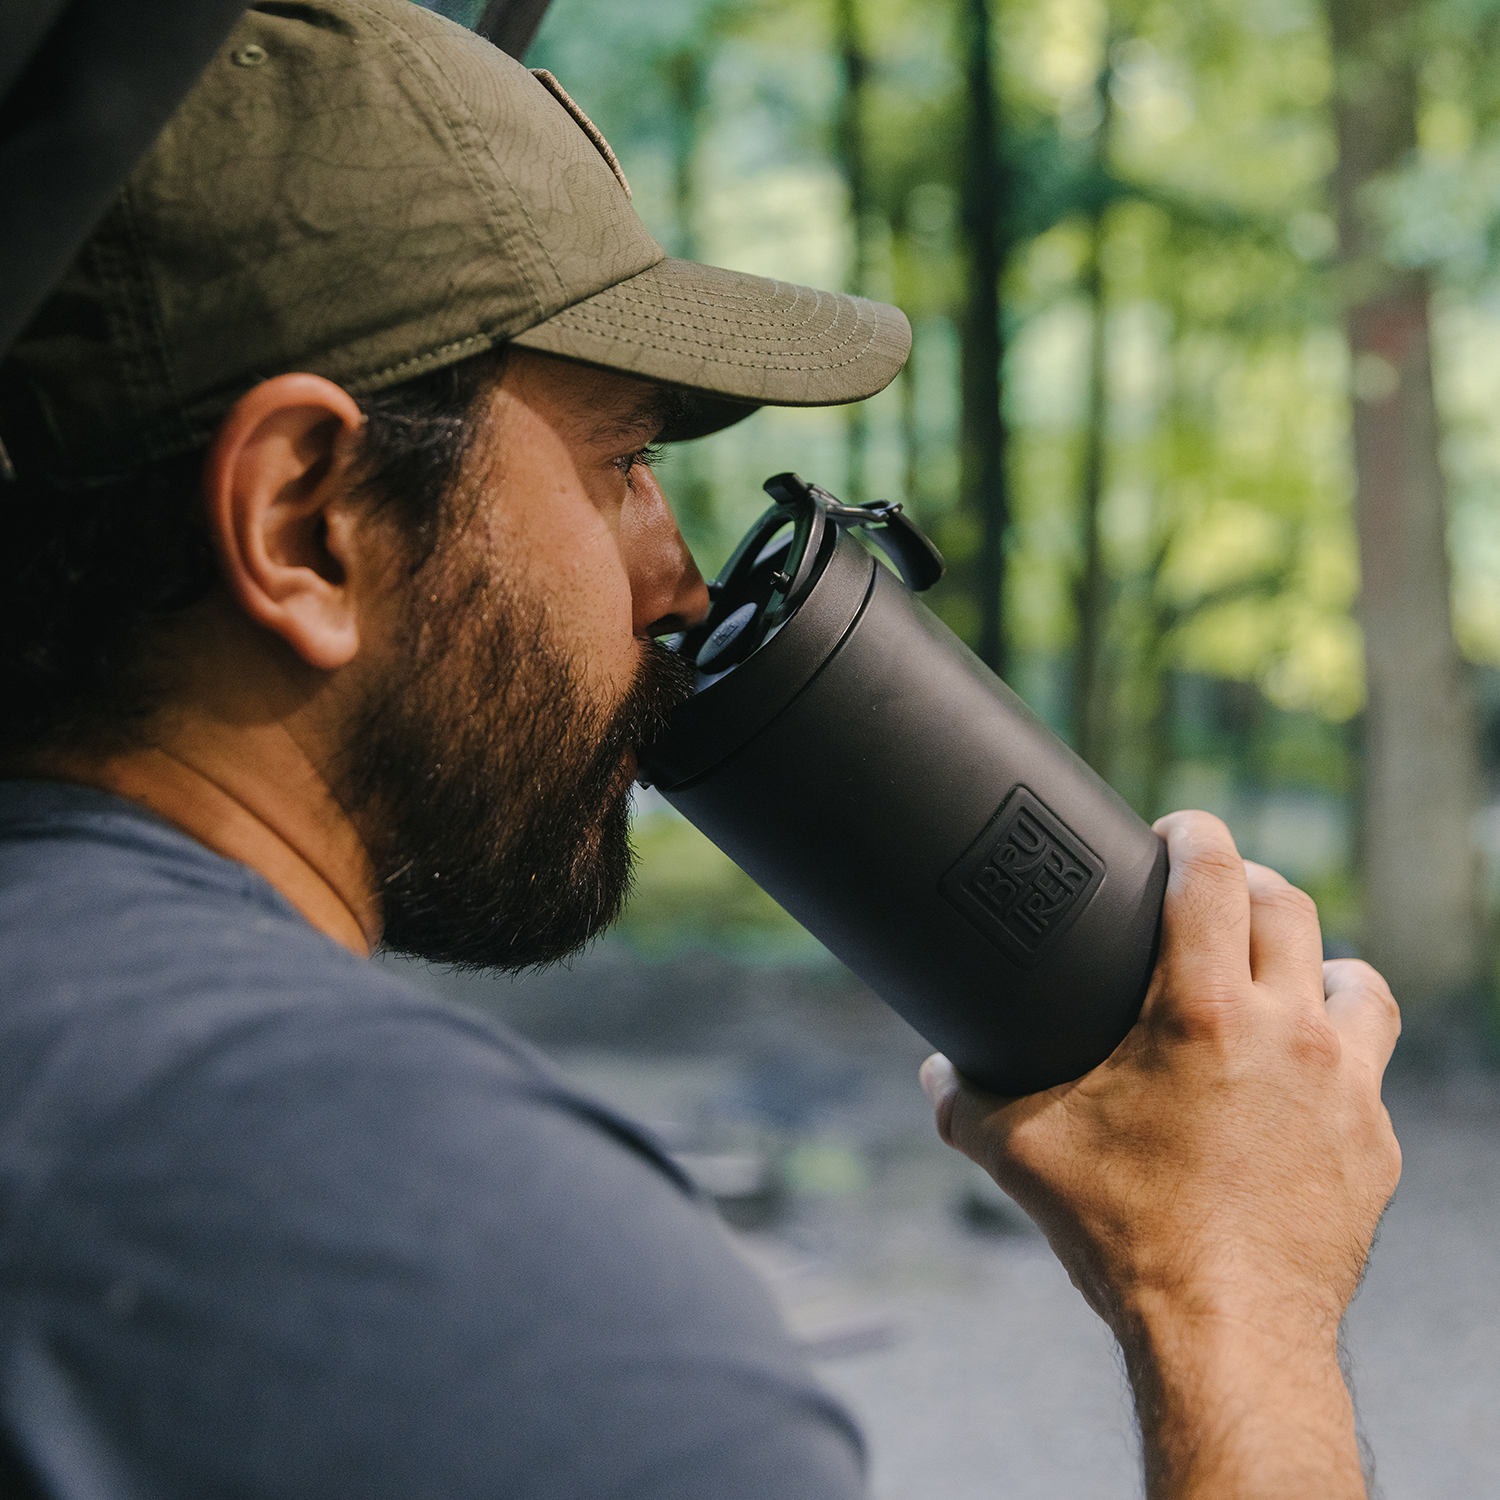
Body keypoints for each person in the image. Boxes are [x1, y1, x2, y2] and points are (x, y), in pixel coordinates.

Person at [0, 2, 1401, 1497]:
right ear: (304, 523)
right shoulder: (417, 1244)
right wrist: (1230, 1293)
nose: (676, 582)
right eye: (620, 461)